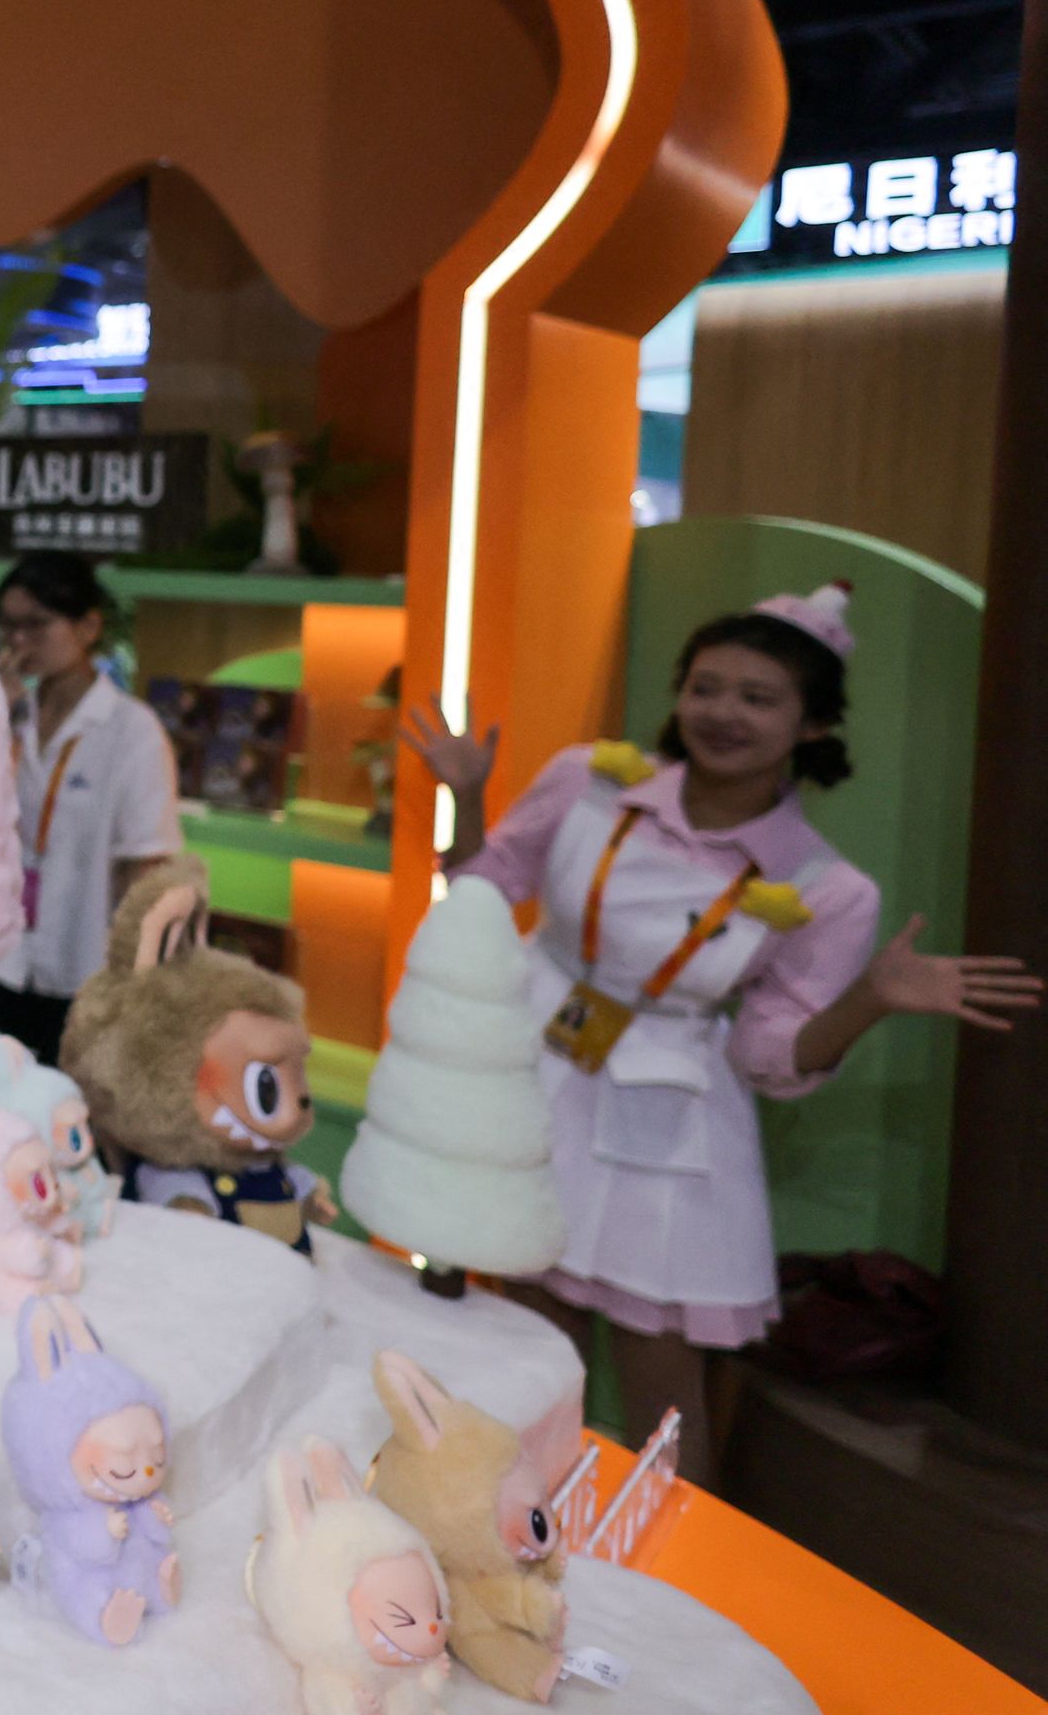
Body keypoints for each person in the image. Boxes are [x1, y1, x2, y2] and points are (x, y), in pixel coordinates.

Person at [403, 581, 1039, 1490]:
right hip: (538, 1081)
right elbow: (483, 886)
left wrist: (871, 997)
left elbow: (769, 1057)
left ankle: (671, 1599)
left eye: (758, 696)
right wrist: (465, 797)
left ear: (813, 726)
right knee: (528, 1355)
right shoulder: (589, 780)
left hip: (671, 1135)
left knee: (665, 1404)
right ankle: (508, 1545)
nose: (722, 712)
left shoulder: (828, 887)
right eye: (706, 686)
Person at [0, 552, 184, 1072]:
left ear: (88, 626)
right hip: (0, 960)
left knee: (66, 1127)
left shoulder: (130, 731)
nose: (18, 642)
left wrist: (137, 983)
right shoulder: (8, 713)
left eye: (36, 625)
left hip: (86, 968)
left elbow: (146, 868)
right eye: (9, 627)